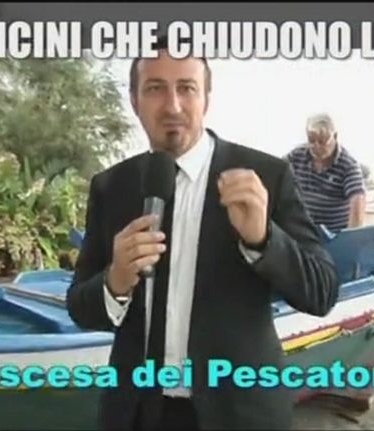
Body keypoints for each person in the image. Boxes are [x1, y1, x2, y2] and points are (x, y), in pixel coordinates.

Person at [66, 36, 338, 431]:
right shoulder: (111, 186)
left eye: (186, 88)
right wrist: (115, 282)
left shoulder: (265, 177)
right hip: (135, 413)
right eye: (155, 88)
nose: (172, 106)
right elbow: (79, 305)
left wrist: (263, 239)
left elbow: (322, 293)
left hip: (241, 415)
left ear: (206, 98)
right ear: (134, 101)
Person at [285, 114, 367, 233]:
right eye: (311, 140)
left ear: (335, 136)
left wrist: (350, 237)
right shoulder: (296, 155)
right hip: (301, 232)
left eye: (322, 141)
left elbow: (358, 203)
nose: (316, 146)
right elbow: (277, 172)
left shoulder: (348, 165)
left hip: (333, 235)